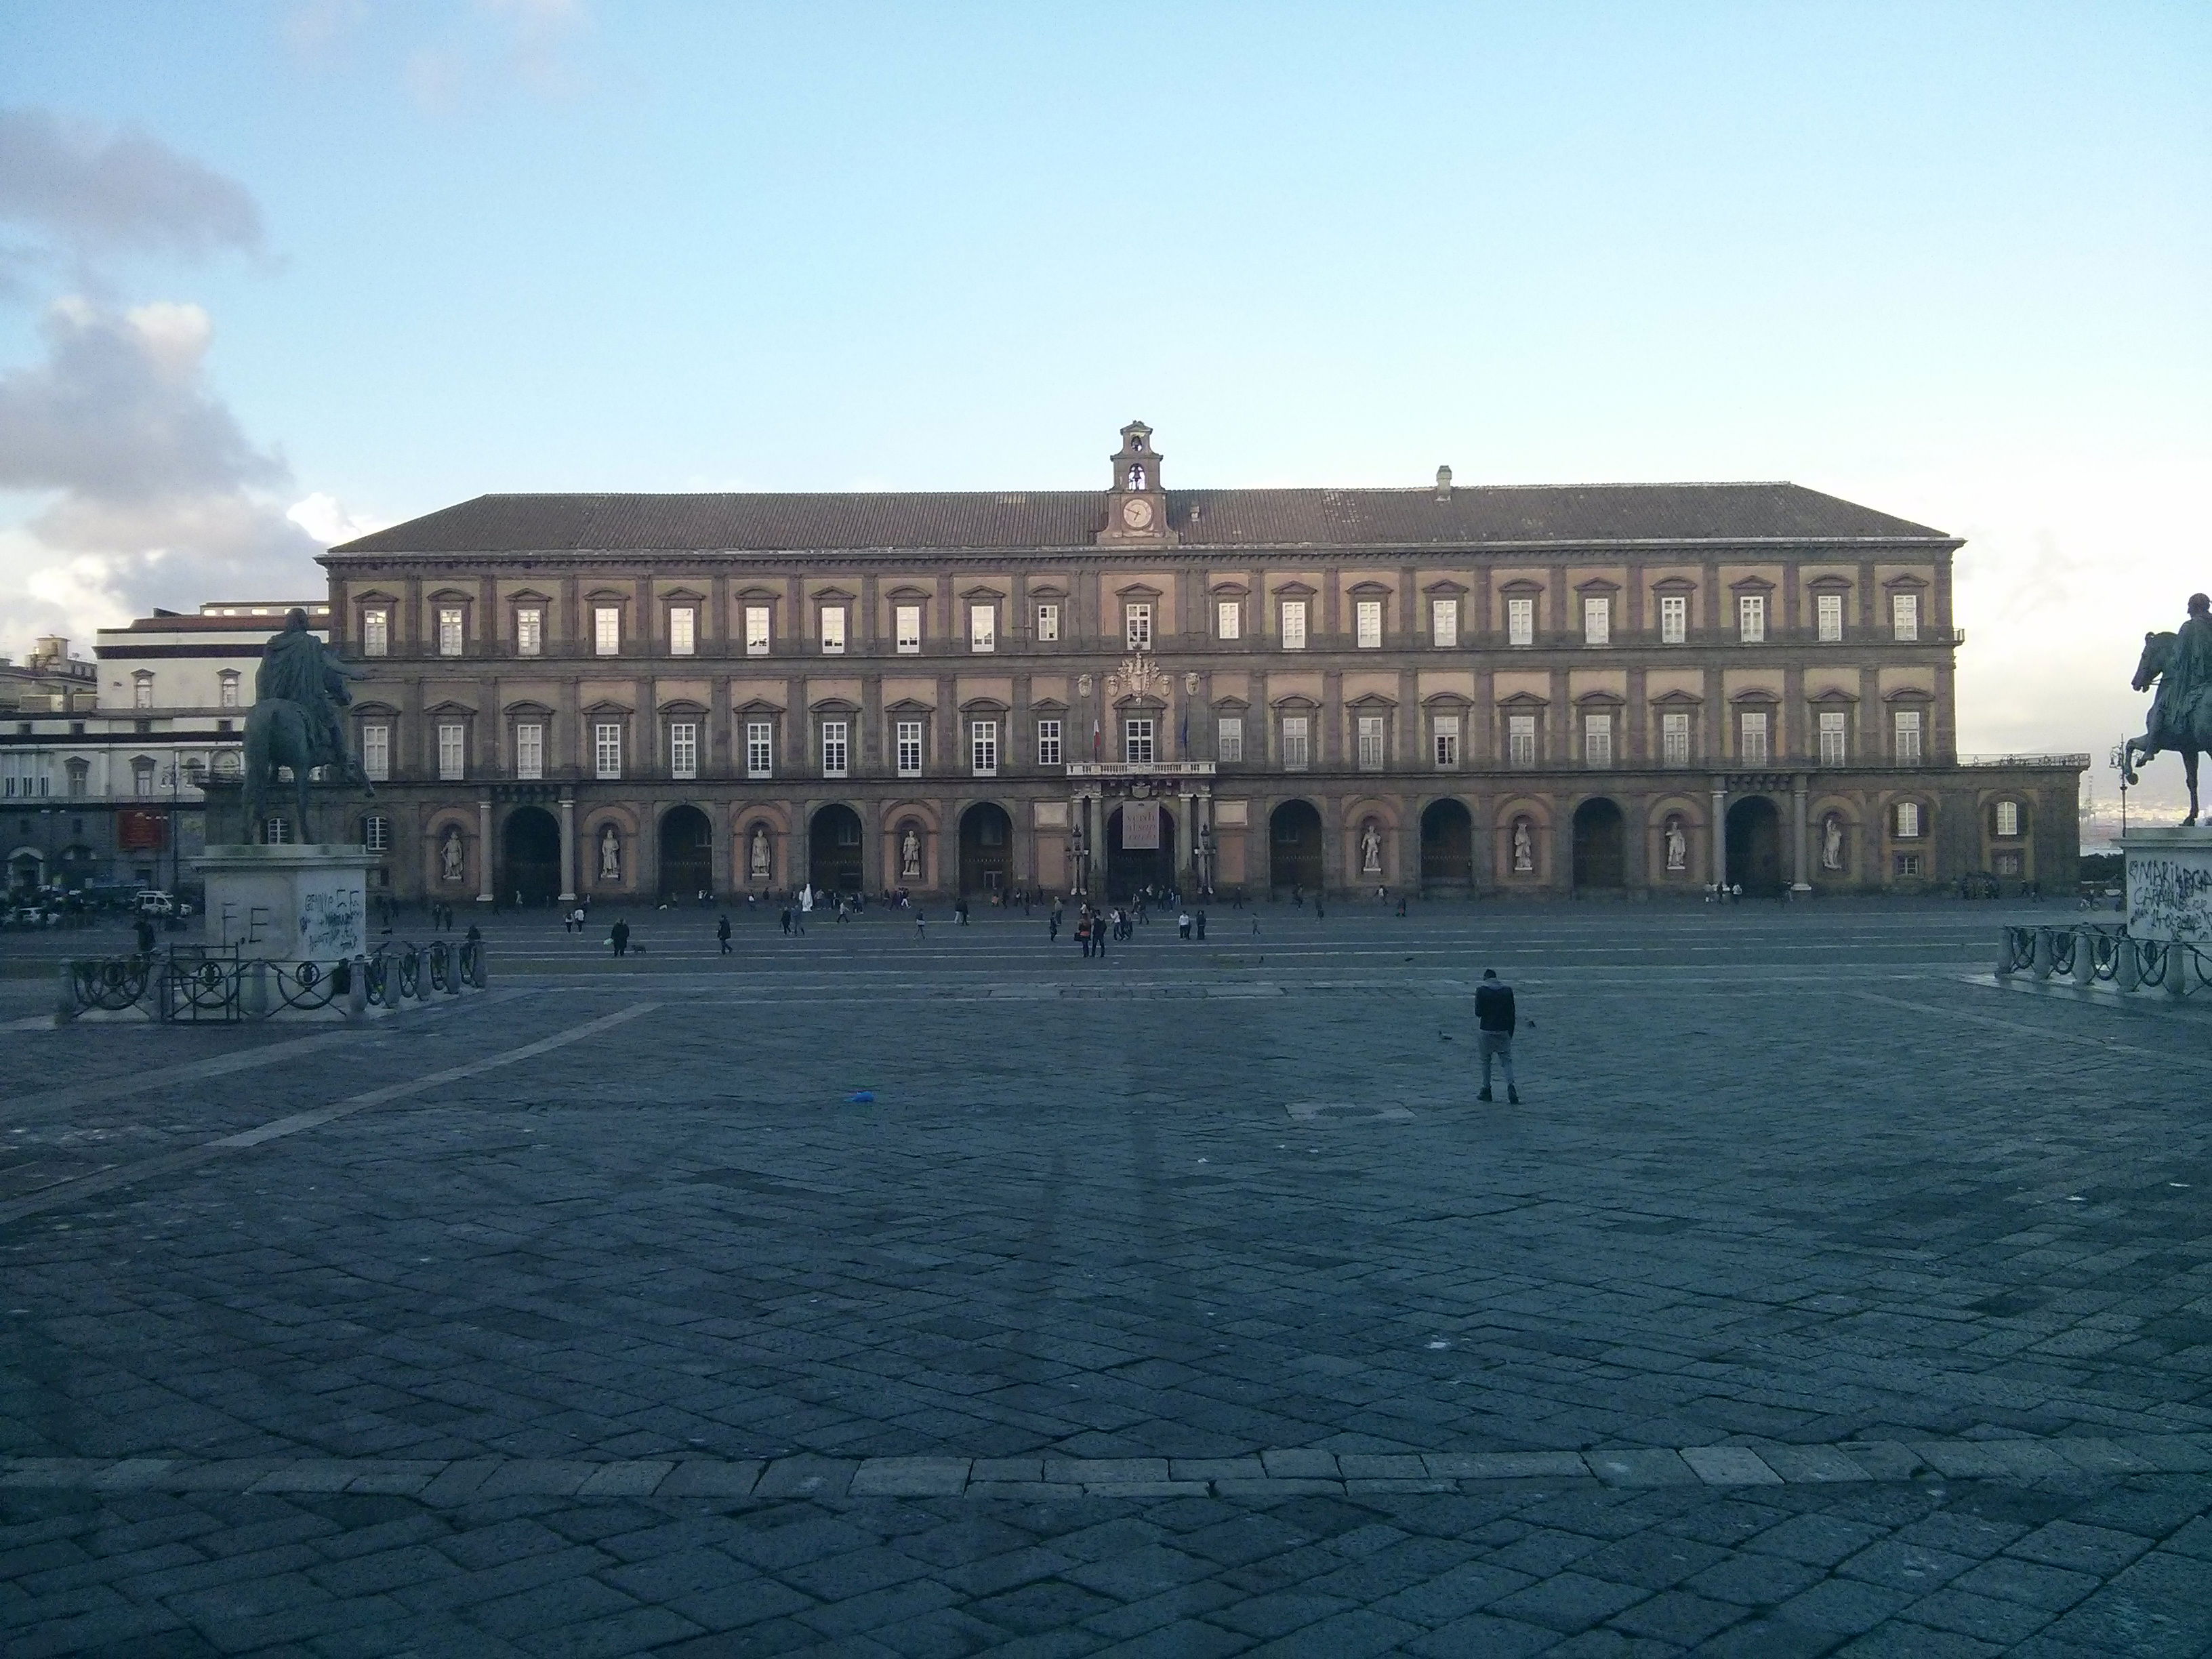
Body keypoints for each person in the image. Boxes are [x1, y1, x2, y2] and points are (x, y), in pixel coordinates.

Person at [1474, 968, 1519, 1104]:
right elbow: (1512, 1014)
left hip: (1486, 1030)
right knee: (1507, 1061)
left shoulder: (1481, 990)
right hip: (1503, 1030)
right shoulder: (1507, 991)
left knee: (1485, 1061)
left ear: (1485, 978)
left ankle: (1486, 1089)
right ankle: (1511, 1086)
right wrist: (1510, 1033)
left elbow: (1478, 1013)